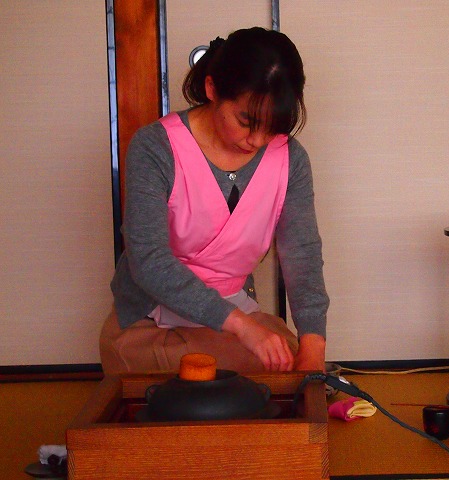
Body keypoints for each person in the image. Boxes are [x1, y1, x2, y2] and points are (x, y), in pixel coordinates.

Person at [100, 27, 329, 375]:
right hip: (150, 324)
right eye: (246, 121)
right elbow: (148, 259)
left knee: (288, 365)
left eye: (272, 127)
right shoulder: (155, 147)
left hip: (234, 316)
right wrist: (241, 326)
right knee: (226, 376)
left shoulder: (290, 159)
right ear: (212, 89)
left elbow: (302, 254)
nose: (257, 140)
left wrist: (313, 347)